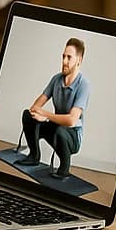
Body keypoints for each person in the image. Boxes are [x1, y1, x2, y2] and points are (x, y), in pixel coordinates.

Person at [17, 38, 90, 179]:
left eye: (69, 58)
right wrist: (37, 114)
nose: (64, 61)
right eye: (63, 56)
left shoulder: (84, 85)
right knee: (28, 115)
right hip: (56, 127)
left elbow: (71, 121)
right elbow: (35, 107)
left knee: (62, 130)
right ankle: (34, 155)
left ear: (79, 60)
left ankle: (64, 168)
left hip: (71, 136)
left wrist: (45, 114)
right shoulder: (56, 79)